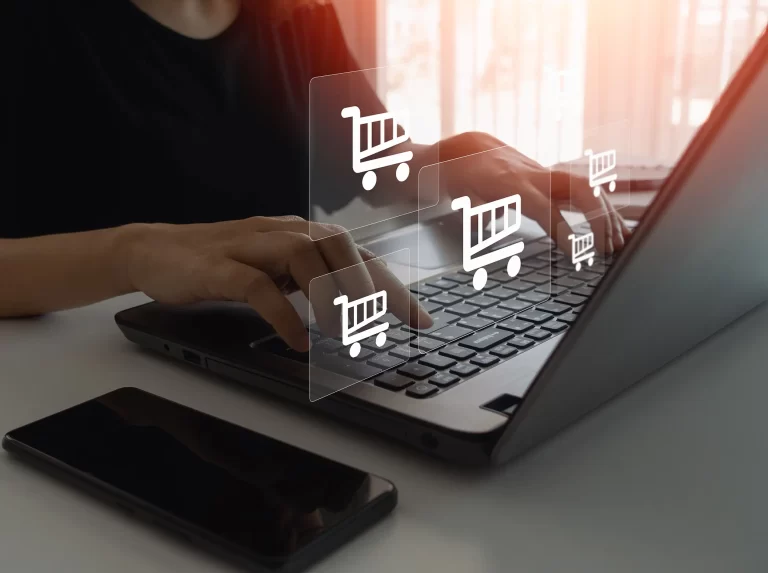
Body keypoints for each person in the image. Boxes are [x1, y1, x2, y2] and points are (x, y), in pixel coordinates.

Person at [1, 0, 630, 352]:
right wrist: (133, 254)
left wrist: (452, 160)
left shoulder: (296, 13)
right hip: (84, 381)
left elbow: (370, 163)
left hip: (279, 350)